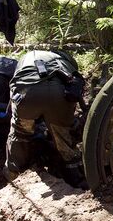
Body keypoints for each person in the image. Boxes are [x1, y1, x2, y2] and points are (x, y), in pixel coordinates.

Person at [5, 50, 86, 188]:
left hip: (26, 94)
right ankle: (78, 180)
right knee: (64, 139)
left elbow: (15, 83)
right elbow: (76, 89)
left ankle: (13, 174)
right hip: (58, 96)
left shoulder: (27, 58)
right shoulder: (65, 63)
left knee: (20, 134)